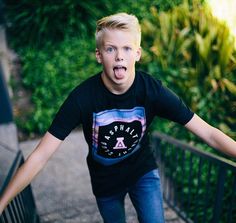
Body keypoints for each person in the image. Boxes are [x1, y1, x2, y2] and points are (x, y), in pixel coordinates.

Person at [0, 12, 235, 223]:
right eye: (111, 49)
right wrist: (2, 203)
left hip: (142, 171)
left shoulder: (152, 91)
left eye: (127, 49)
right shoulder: (82, 98)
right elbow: (41, 155)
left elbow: (208, 133)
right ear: (99, 55)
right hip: (105, 182)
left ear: (138, 54)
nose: (119, 56)